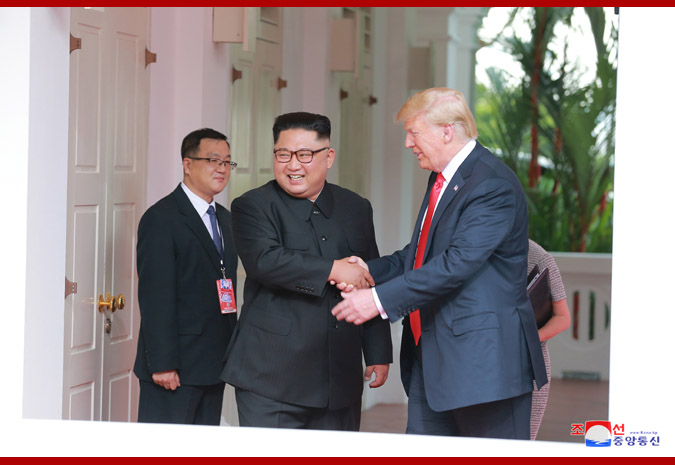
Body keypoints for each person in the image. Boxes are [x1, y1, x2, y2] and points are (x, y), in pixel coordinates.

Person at [331, 88, 547, 439]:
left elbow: (456, 263)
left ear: (447, 131)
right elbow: (420, 255)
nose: (407, 143)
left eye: (414, 132)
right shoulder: (443, 178)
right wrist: (369, 271)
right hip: (431, 359)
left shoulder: (492, 184)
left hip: (483, 366)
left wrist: (378, 300)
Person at [220, 112, 392, 431]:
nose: (293, 165)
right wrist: (333, 268)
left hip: (339, 378)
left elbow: (369, 280)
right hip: (270, 377)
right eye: (283, 154)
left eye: (304, 155)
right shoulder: (253, 205)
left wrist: (378, 351)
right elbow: (265, 261)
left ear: (329, 157)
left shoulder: (356, 207)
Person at [134, 128, 238, 425]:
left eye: (227, 162)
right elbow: (155, 296)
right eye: (213, 160)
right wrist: (163, 363)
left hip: (214, 364)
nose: (222, 168)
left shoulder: (226, 220)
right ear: (188, 164)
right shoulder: (162, 218)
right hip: (174, 368)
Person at [527, 238, 571, 440]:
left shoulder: (538, 256)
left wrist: (528, 339)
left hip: (529, 369)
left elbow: (562, 318)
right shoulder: (470, 251)